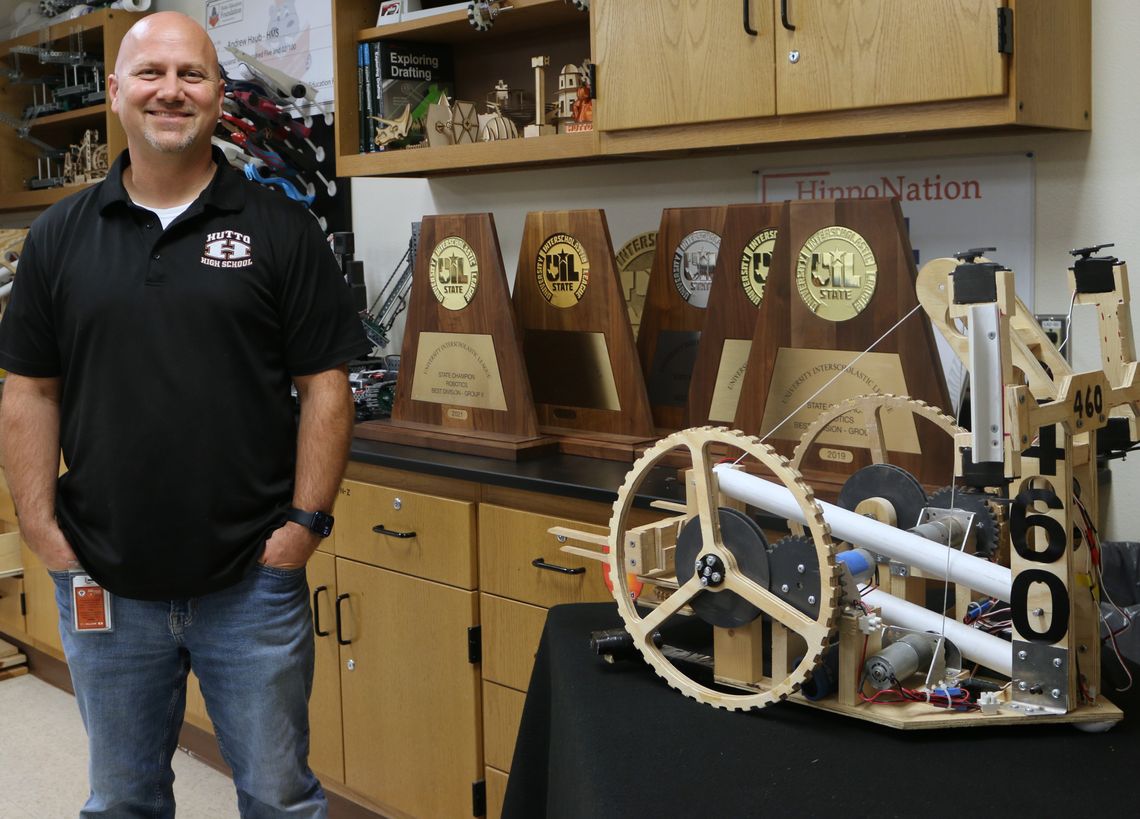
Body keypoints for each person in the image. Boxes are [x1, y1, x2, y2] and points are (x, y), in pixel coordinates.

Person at [0, 11, 369, 818]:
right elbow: (29, 388)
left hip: (251, 581)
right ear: (115, 91)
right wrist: (39, 525)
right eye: (151, 73)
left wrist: (304, 523)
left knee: (279, 796)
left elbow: (326, 386)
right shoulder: (60, 237)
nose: (171, 91)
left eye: (191, 75)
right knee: (124, 796)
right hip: (104, 572)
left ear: (218, 94)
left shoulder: (280, 229)